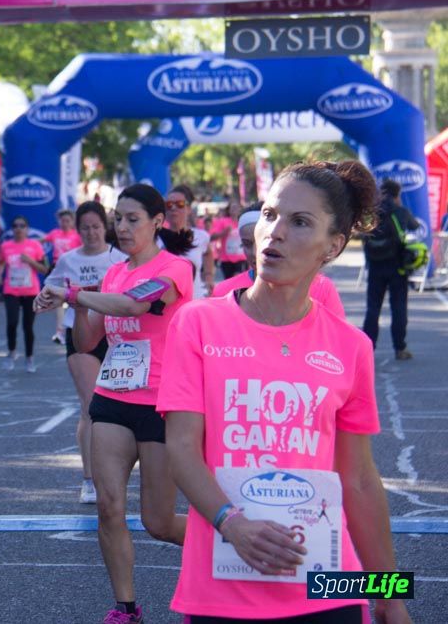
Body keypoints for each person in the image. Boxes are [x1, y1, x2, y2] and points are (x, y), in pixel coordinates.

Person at [158, 160, 412, 624]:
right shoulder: (197, 322)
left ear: (332, 246)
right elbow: (181, 449)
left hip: (328, 587)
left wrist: (391, 597)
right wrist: (231, 524)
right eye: (271, 215)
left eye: (300, 223)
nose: (274, 232)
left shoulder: (351, 347)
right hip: (221, 587)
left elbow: (358, 480)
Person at [35, 184, 193, 624]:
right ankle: (126, 607)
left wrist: (74, 295)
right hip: (112, 397)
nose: (121, 228)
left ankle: (231, 544)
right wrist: (73, 307)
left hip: (162, 404)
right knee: (109, 506)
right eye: (117, 219)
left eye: (132, 219)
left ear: (158, 222)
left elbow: (135, 305)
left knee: (159, 522)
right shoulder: (112, 273)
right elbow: (88, 342)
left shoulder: (176, 269)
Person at [38, 202, 126, 505]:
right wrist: (43, 300)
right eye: (85, 227)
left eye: (96, 226)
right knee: (91, 405)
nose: (91, 232)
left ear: (105, 227)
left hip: (117, 337)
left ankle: (116, 472)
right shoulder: (67, 260)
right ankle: (90, 479)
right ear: (78, 230)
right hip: (80, 335)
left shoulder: (120, 257)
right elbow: (49, 291)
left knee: (120, 409)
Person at [212, 204, 345, 318]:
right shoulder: (223, 291)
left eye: (262, 241)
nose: (254, 252)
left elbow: (338, 340)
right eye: (246, 244)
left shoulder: (322, 287)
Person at [362, 179, 421, 360]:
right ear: (397, 194)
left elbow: (363, 233)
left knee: (373, 309)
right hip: (397, 267)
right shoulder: (400, 211)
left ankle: (367, 349)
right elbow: (414, 226)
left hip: (375, 266)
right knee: (398, 308)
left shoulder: (373, 213)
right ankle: (400, 348)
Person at [0, 216, 48, 372]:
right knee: (12, 322)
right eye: (15, 225)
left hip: (30, 291)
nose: (18, 228)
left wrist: (31, 261)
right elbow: (0, 265)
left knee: (28, 326)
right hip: (11, 290)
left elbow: (44, 269)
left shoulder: (34, 245)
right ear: (12, 229)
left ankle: (29, 357)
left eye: (22, 226)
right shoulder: (6, 246)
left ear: (27, 229)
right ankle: (12, 352)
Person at [164, 185, 214, 299]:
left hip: (195, 299)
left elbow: (208, 253)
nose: (173, 208)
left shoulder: (201, 236)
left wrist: (209, 276)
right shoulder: (156, 239)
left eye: (180, 204)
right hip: (167, 305)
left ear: (189, 209)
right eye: (169, 205)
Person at [43, 209, 83, 344]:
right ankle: (60, 331)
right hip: (57, 270)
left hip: (72, 270)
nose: (64, 223)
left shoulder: (77, 236)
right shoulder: (55, 234)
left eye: (67, 221)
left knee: (71, 301)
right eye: (62, 221)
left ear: (72, 222)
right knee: (58, 301)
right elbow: (41, 241)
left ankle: (72, 329)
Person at [212, 200, 247, 279]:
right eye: (232, 208)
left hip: (241, 257)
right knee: (229, 281)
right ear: (229, 210)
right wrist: (224, 233)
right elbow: (213, 237)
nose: (234, 209)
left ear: (240, 209)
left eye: (236, 207)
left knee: (238, 279)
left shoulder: (243, 221)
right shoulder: (223, 221)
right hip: (226, 258)